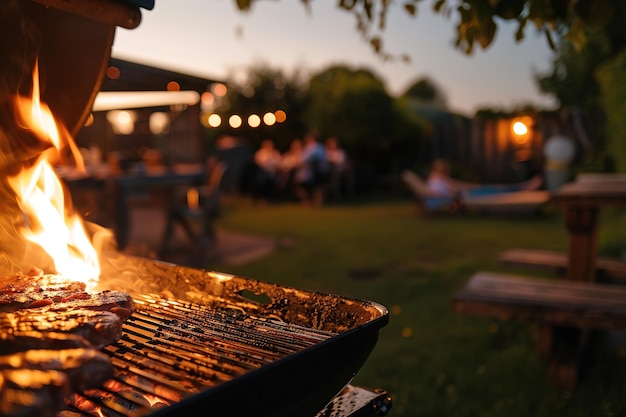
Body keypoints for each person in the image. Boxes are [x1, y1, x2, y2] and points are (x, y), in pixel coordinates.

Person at [425, 158, 542, 211]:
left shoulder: (437, 180)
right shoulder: (436, 181)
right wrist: (453, 194)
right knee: (496, 191)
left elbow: (458, 186)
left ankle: (523, 186)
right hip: (466, 198)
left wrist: (470, 188)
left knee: (494, 189)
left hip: (466, 195)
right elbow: (448, 193)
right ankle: (523, 187)